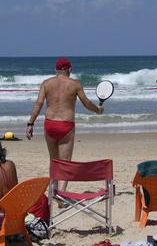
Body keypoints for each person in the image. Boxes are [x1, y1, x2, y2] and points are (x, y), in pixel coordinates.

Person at [25, 58, 104, 192]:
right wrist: (98, 110)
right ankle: (60, 195)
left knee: (53, 161)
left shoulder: (46, 83)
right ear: (70, 70)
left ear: (55, 70)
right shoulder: (75, 84)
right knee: (65, 163)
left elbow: (38, 103)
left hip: (49, 124)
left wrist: (30, 123)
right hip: (66, 125)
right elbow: (86, 102)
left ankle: (53, 190)